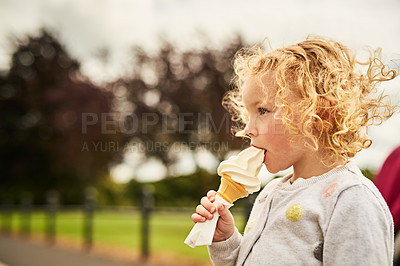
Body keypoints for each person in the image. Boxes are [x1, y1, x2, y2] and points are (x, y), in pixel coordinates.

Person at [191, 36, 398, 265]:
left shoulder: (350, 199)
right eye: (248, 114)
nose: (248, 129)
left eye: (262, 110)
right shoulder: (271, 193)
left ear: (318, 115)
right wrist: (226, 241)